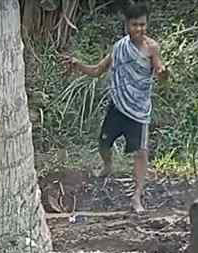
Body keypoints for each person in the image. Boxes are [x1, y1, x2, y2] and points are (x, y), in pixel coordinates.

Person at [60, 2, 169, 213]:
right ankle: (108, 165)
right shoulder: (119, 47)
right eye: (135, 25)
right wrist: (78, 64)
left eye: (143, 25)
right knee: (103, 144)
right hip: (117, 106)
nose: (140, 29)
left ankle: (137, 197)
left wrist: (164, 73)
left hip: (138, 111)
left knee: (140, 152)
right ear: (127, 25)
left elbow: (160, 72)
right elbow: (97, 71)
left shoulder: (152, 48)